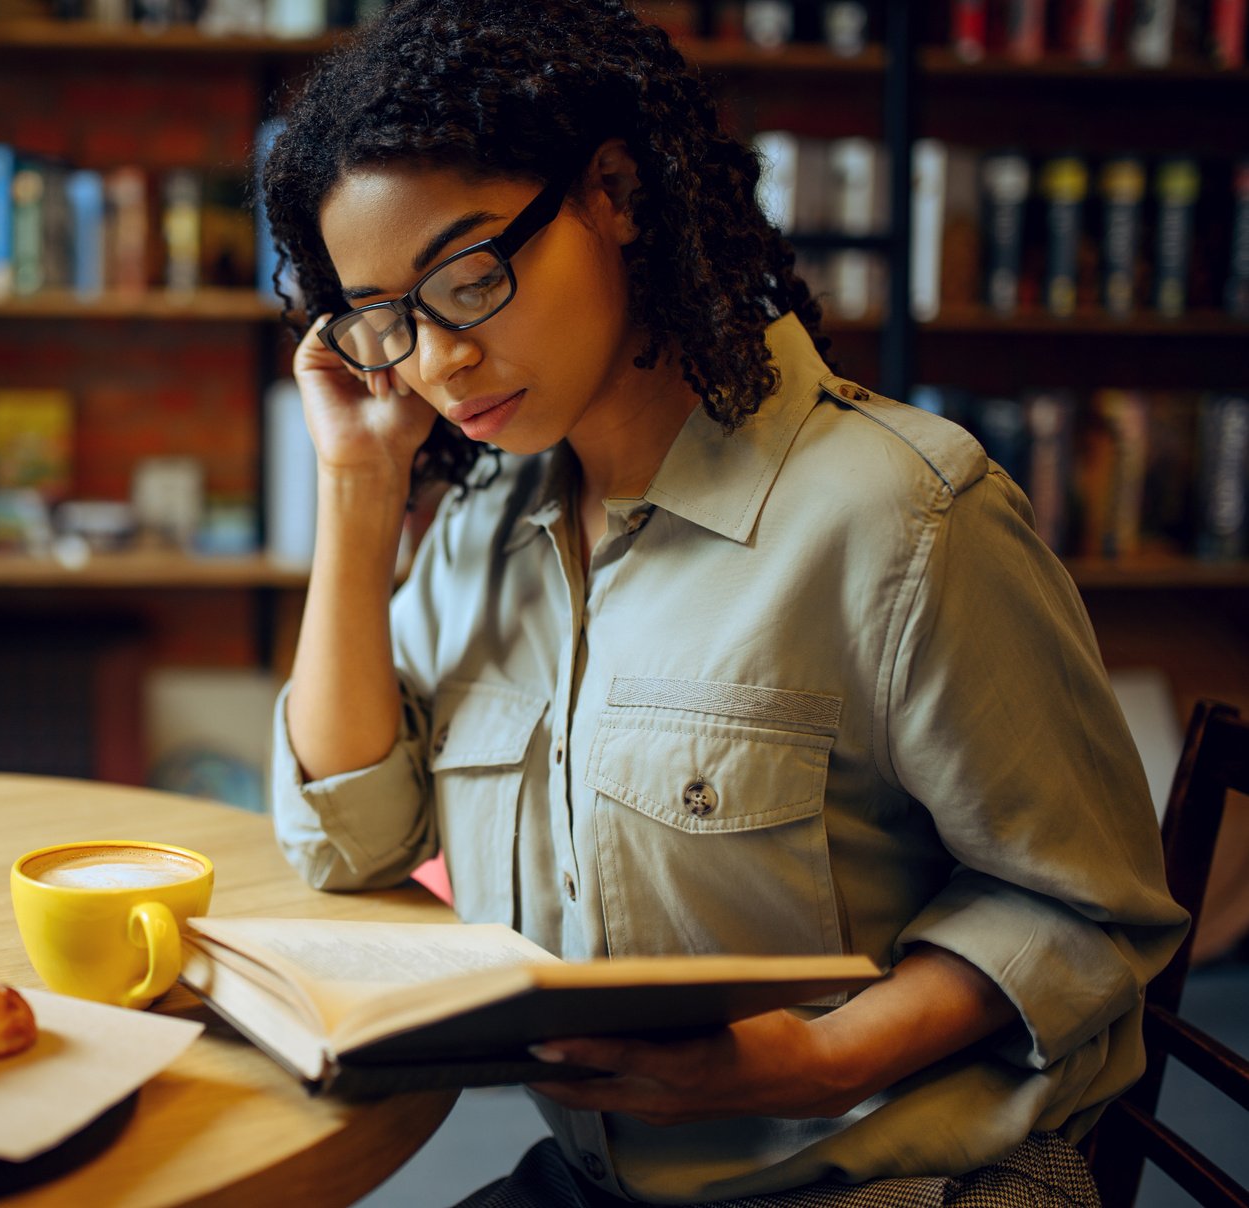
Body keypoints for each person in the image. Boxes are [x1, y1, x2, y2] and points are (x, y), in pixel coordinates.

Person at [258, 2, 1190, 1206]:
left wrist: (813, 1056)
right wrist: (359, 479)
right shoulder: (492, 519)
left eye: (469, 277)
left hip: (892, 1180)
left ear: (615, 194)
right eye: (386, 317)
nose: (434, 362)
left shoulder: (900, 515)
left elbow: (1090, 908)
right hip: (608, 1180)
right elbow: (354, 838)